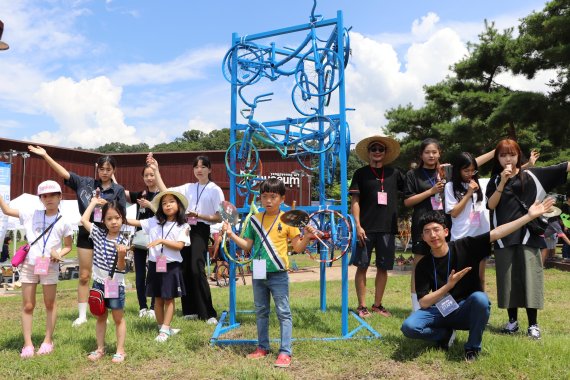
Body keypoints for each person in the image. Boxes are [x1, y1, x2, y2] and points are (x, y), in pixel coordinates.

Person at [401, 198, 556, 362]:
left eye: (436, 229)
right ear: (422, 237)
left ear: (445, 232)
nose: (433, 235)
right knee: (409, 327)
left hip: (465, 310)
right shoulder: (423, 265)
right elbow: (424, 303)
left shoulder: (466, 246)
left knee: (480, 299)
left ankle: (472, 348)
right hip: (440, 310)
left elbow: (497, 232)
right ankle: (443, 334)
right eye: (427, 231)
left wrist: (529, 217)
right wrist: (448, 286)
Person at [29, 145, 126, 327]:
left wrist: (107, 204)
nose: (105, 172)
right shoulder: (86, 183)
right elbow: (64, 173)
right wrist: (45, 156)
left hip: (107, 234)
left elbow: (121, 213)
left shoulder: (118, 189)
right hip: (86, 232)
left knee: (109, 274)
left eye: (109, 169)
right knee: (84, 275)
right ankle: (82, 315)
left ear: (114, 170)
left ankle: (111, 309)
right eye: (102, 169)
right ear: (98, 168)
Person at [222, 178, 315, 368]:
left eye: (273, 197)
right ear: (260, 199)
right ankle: (262, 347)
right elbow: (248, 245)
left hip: (278, 272)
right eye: (264, 197)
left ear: (282, 198)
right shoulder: (255, 220)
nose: (268, 201)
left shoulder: (288, 220)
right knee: (261, 311)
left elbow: (297, 248)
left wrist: (306, 237)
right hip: (258, 269)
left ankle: (285, 352)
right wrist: (231, 235)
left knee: (283, 312)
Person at [486, 138, 569, 339]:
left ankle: (533, 324)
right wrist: (503, 182)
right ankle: (512, 322)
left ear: (518, 155)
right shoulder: (495, 180)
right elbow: (491, 205)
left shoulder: (533, 175)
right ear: (497, 158)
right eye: (503, 155)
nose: (508, 158)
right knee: (508, 281)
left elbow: (564, 166)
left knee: (531, 279)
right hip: (503, 238)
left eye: (512, 154)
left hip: (528, 237)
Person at [0, 180, 73, 358]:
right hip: (29, 264)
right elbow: (7, 211)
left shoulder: (64, 221)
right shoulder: (31, 214)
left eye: (52, 195)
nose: (48, 199)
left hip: (50, 265)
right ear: (40, 198)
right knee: (28, 304)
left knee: (50, 303)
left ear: (59, 197)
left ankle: (48, 340)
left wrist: (59, 253)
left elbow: (68, 245)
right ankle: (28, 344)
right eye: (44, 196)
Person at [148, 154, 222, 324]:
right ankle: (189, 310)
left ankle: (208, 312)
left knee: (197, 268)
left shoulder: (215, 189)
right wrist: (156, 171)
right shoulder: (189, 187)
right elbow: (166, 192)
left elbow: (219, 217)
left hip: (201, 229)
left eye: (203, 167)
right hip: (183, 227)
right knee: (184, 268)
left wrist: (199, 214)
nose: (199, 170)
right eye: (196, 167)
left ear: (210, 169)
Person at [349, 135, 405, 318]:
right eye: (374, 149)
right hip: (366, 227)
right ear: (369, 152)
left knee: (383, 267)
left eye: (381, 149)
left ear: (386, 152)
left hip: (387, 228)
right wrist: (357, 225)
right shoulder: (360, 174)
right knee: (362, 266)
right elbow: (355, 201)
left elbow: (411, 187)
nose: (377, 152)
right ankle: (362, 306)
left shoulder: (394, 173)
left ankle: (378, 305)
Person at [127, 190, 190, 342]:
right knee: (157, 298)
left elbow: (180, 245)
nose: (167, 205)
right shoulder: (154, 221)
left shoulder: (184, 225)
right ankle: (162, 327)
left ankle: (165, 328)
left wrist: (161, 241)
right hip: (155, 264)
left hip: (171, 266)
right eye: (164, 203)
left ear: (178, 205)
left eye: (171, 202)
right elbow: (136, 222)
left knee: (169, 298)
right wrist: (119, 218)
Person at [81, 197, 129, 363]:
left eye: (117, 218)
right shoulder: (98, 233)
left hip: (115, 284)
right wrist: (93, 203)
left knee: (118, 318)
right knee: (100, 317)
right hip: (99, 284)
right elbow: (83, 220)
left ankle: (120, 350)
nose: (114, 222)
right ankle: (100, 348)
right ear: (103, 221)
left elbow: (122, 268)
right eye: (109, 219)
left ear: (122, 218)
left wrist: (122, 255)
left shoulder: (124, 239)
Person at [444, 152, 490, 290]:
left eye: (473, 170)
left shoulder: (482, 183)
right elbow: (455, 213)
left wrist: (528, 165)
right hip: (461, 238)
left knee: (480, 278)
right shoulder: (450, 186)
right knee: (459, 278)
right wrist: (469, 193)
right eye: (466, 170)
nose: (470, 174)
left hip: (481, 236)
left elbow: (507, 176)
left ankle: (480, 307)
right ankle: (458, 307)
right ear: (458, 170)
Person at [125, 165, 159, 319]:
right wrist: (111, 179)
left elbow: (167, 214)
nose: (149, 178)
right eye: (146, 175)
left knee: (156, 272)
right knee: (140, 273)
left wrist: (150, 205)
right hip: (139, 239)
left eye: (152, 174)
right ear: (143, 178)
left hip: (157, 240)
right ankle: (142, 306)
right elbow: (123, 193)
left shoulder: (163, 195)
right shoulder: (141, 194)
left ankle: (153, 306)